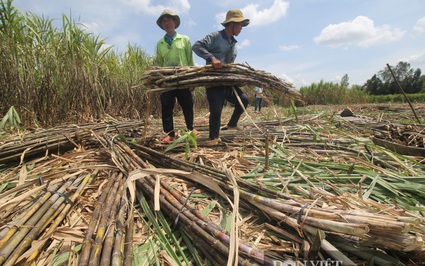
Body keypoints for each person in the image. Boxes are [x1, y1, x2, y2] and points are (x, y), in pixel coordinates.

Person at [192, 9, 250, 144]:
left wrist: (238, 80)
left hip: (228, 83)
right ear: (232, 24)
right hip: (214, 83)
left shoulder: (234, 44)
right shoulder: (215, 37)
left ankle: (232, 123)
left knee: (244, 100)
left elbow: (230, 65)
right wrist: (212, 58)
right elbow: (196, 46)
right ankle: (214, 138)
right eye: (240, 25)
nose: (241, 28)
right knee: (216, 111)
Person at [155, 9, 200, 144]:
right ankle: (170, 133)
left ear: (174, 22)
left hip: (183, 77)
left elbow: (190, 60)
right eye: (163, 21)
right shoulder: (160, 43)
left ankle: (191, 128)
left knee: (187, 104)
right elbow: (159, 63)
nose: (166, 23)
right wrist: (159, 80)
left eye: (169, 20)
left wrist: (192, 79)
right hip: (167, 79)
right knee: (166, 106)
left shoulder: (184, 40)